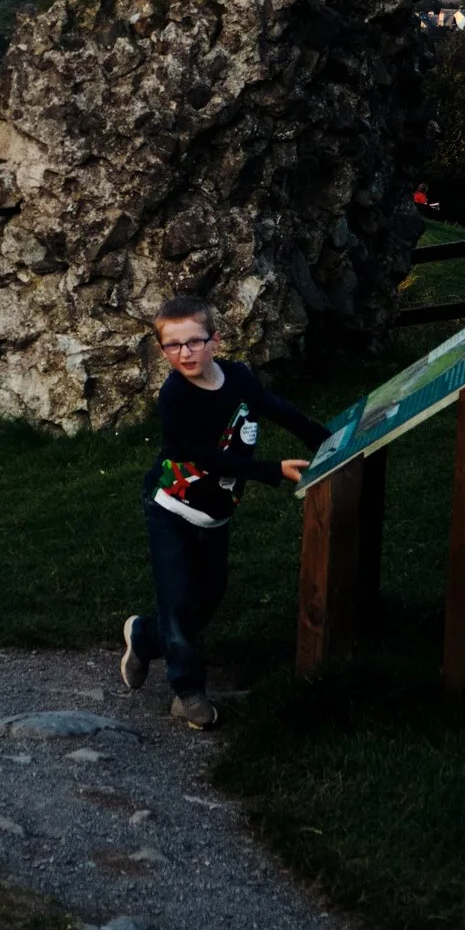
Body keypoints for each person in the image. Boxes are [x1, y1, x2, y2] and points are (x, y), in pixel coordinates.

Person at [120, 296, 330, 729]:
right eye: (173, 346)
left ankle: (142, 636)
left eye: (194, 341)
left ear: (215, 340)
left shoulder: (237, 378)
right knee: (177, 603)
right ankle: (187, 691)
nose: (186, 353)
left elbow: (276, 408)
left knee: (209, 595)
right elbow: (206, 458)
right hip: (171, 510)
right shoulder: (174, 397)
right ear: (162, 350)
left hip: (213, 516)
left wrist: (326, 439)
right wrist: (273, 470)